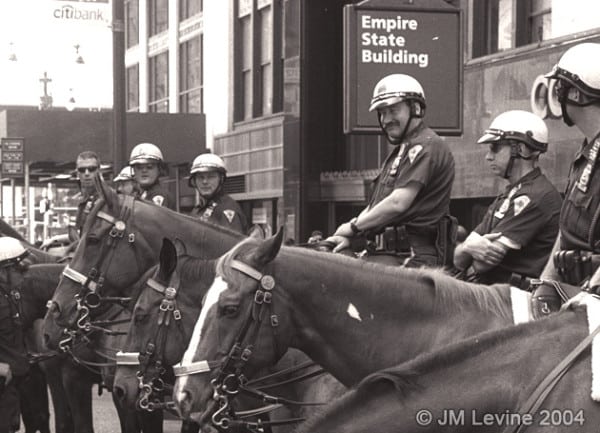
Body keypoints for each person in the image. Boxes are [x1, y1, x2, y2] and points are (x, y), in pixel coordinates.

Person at [325, 73, 456, 267]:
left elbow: (397, 203)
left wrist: (352, 227)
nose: (386, 119)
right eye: (382, 112)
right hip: (390, 254)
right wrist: (352, 239)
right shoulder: (401, 152)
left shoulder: (426, 146)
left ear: (415, 108)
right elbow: (377, 207)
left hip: (413, 259)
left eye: (393, 110)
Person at [453, 110, 562, 288]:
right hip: (497, 295)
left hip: (516, 300)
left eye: (495, 148)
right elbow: (457, 258)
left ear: (521, 149)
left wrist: (468, 247)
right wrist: (467, 248)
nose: (488, 156)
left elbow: (482, 263)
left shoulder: (535, 196)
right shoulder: (508, 195)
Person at [539, 43, 600, 290]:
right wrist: (544, 285)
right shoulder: (584, 154)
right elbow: (565, 233)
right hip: (574, 288)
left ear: (575, 94)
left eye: (561, 88)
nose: (558, 97)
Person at [0, 237, 31, 433]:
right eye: (19, 270)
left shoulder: (8, 296)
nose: (23, 276)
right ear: (3, 272)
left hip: (10, 384)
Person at [188, 153, 248, 233]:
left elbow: (231, 244)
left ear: (221, 179)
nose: (205, 181)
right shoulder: (197, 210)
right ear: (194, 181)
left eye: (211, 176)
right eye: (200, 177)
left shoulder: (227, 209)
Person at [129, 142, 175, 210]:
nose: (144, 171)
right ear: (134, 171)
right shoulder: (139, 195)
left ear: (159, 169)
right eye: (139, 167)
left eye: (149, 167)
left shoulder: (160, 195)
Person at [74, 150, 101, 234]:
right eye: (82, 170)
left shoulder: (108, 199)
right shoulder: (84, 201)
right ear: (77, 173)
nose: (86, 173)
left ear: (99, 171)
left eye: (91, 169)